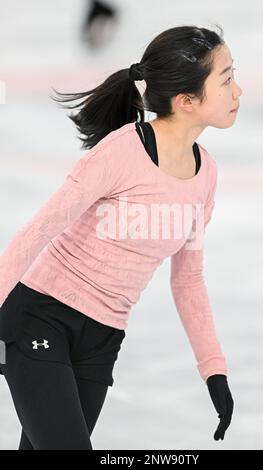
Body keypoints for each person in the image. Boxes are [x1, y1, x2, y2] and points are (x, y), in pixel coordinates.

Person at [0, 24, 242, 449]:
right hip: (42, 316)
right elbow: (40, 229)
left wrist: (213, 368)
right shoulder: (122, 151)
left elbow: (187, 279)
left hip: (102, 340)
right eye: (225, 79)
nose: (238, 90)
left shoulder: (206, 173)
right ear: (187, 100)